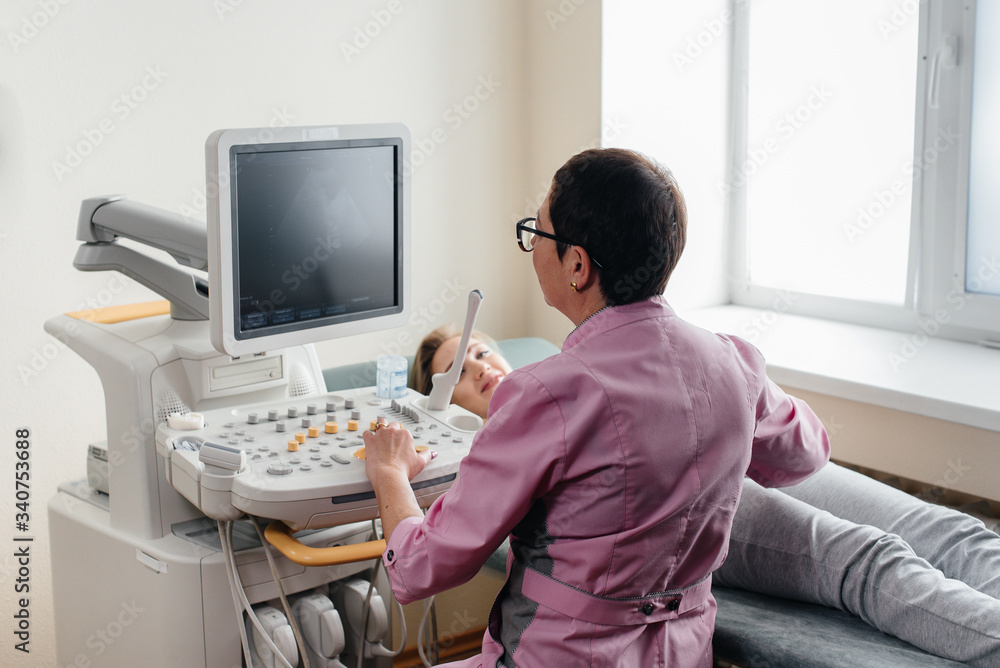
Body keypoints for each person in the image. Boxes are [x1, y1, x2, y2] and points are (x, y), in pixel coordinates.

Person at [362, 148, 831, 666]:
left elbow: (421, 569)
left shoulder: (544, 393)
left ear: (577, 266)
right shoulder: (737, 363)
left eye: (536, 233)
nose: (531, 247)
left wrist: (389, 473)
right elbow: (807, 452)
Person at [411, 327, 1000, 665]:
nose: (482, 368)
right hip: (689, 486)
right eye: (460, 371)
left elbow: (808, 447)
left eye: (484, 350)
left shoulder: (584, 365)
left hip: (732, 436)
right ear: (439, 402)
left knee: (950, 530)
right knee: (862, 555)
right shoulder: (503, 440)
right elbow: (434, 555)